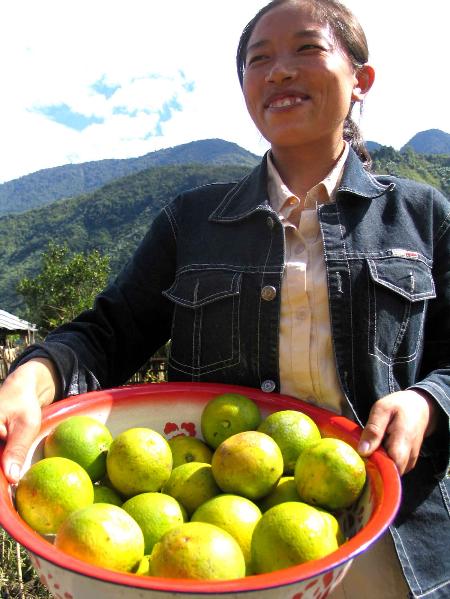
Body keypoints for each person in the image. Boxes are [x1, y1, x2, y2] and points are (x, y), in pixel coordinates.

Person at [0, 0, 448, 596]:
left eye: (306, 49)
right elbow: (109, 333)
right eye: (258, 60)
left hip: (392, 543)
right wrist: (33, 376)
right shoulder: (192, 221)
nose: (279, 70)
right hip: (214, 548)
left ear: (361, 79)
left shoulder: (422, 215)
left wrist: (428, 400)